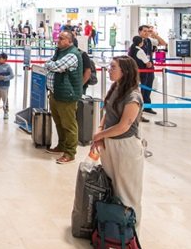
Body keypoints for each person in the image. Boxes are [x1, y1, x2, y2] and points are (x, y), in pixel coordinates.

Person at [90, 56, 145, 227]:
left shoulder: (133, 96)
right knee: (112, 185)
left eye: (113, 67)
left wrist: (99, 135)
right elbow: (108, 113)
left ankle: (129, 233)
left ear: (125, 71)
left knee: (127, 192)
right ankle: (111, 229)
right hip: (109, 143)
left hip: (125, 146)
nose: (109, 70)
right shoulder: (117, 88)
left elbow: (124, 126)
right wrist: (100, 131)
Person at [45, 31, 83, 164]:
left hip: (67, 96)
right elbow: (50, 64)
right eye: (58, 38)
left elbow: (56, 66)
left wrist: (51, 65)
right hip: (55, 93)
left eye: (61, 38)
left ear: (70, 41)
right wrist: (51, 65)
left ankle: (70, 152)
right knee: (59, 123)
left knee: (69, 124)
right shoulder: (59, 52)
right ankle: (61, 145)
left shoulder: (72, 54)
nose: (58, 40)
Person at [138, 25, 166, 114]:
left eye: (148, 31)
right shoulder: (137, 41)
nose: (146, 33)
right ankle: (139, 109)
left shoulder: (150, 40)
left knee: (148, 87)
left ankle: (147, 106)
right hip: (141, 68)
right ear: (139, 32)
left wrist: (154, 34)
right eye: (144, 31)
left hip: (150, 68)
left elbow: (163, 43)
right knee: (141, 88)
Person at [128, 35, 152, 123]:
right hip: (141, 74)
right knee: (140, 94)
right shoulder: (140, 51)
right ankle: (139, 114)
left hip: (134, 73)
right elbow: (147, 63)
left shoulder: (132, 49)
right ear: (140, 42)